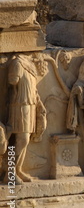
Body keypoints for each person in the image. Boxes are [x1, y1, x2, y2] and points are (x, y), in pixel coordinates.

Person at [7, 54, 47, 183]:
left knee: (26, 138)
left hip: (30, 105)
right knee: (21, 139)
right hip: (19, 105)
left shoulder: (30, 65)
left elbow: (33, 88)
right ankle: (10, 172)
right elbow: (13, 80)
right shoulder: (17, 62)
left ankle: (17, 169)